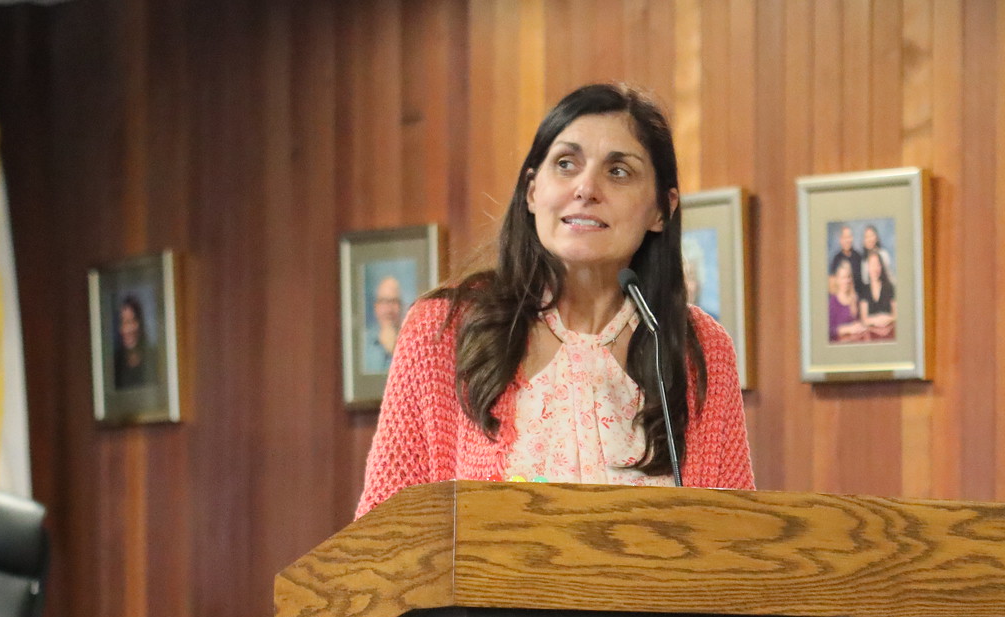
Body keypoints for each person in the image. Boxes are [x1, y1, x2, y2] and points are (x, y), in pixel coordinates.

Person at [357, 83, 752, 515]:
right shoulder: (443, 330)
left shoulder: (702, 347)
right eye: (566, 164)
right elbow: (385, 531)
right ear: (532, 191)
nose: (586, 188)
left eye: (619, 171)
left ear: (662, 209)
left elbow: (735, 532)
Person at [365, 274, 405, 374]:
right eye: (383, 301)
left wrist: (393, 351)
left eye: (393, 301)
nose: (389, 309)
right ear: (376, 307)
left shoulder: (412, 342)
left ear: (401, 306)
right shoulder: (363, 343)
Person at [112, 294, 150, 391]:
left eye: (130, 322)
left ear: (139, 323)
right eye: (122, 323)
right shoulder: (115, 364)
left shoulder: (152, 358)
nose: (126, 330)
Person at [857, 249, 895, 338]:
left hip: (890, 334)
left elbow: (896, 315)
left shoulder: (890, 287)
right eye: (872, 265)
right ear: (868, 268)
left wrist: (886, 319)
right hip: (870, 336)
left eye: (877, 264)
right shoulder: (864, 289)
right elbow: (863, 319)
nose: (875, 269)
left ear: (881, 267)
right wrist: (878, 319)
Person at [827, 257, 865, 342]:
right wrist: (848, 329)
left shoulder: (855, 298)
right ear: (837, 279)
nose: (847, 281)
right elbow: (829, 330)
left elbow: (858, 321)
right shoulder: (832, 301)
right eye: (843, 278)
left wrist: (859, 325)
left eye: (848, 277)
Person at [827, 223, 864, 299]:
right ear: (840, 240)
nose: (847, 240)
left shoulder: (858, 257)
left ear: (852, 238)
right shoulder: (836, 259)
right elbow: (832, 284)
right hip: (840, 298)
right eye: (845, 238)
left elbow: (862, 282)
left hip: (857, 297)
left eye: (849, 237)